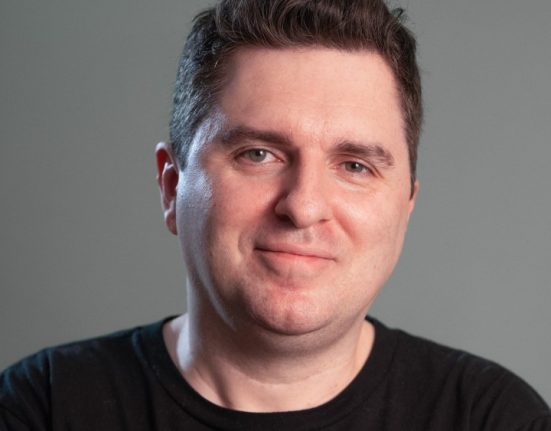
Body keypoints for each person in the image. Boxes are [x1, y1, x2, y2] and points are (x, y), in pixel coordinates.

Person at [1, 0, 549, 429]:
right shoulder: (40, 407)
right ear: (171, 186)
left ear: (406, 206)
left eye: (354, 165)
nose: (303, 206)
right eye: (258, 155)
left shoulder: (495, 418)